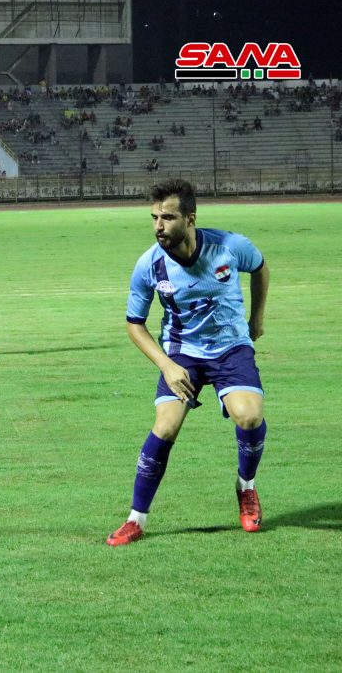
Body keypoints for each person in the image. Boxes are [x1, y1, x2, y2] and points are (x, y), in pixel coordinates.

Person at [106, 179, 270, 546]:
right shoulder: (149, 265)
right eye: (154, 218)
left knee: (248, 416)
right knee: (165, 427)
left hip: (230, 348)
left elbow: (260, 267)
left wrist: (257, 319)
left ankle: (246, 486)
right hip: (182, 354)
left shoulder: (229, 247)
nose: (158, 226)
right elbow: (134, 325)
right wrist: (166, 365)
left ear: (190, 219)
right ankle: (136, 519)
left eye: (167, 217)